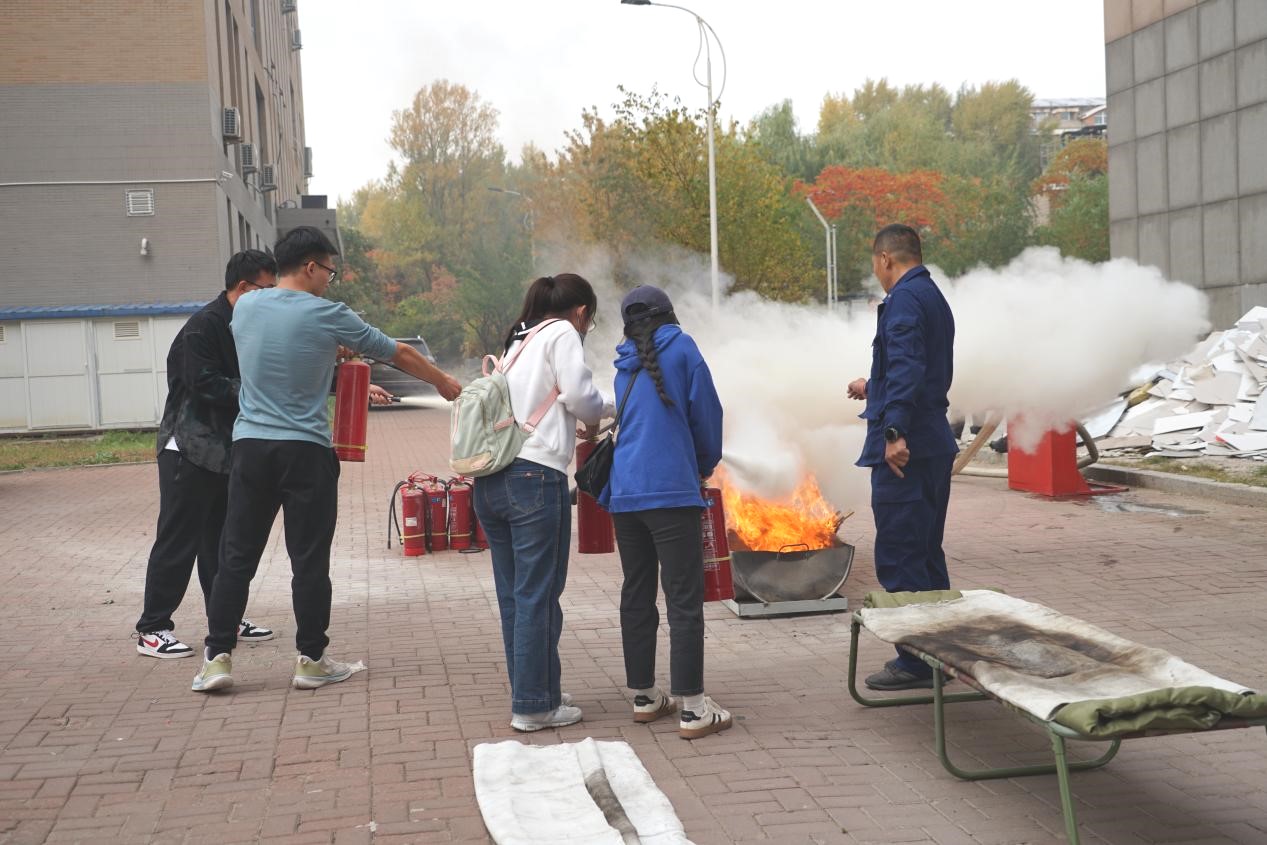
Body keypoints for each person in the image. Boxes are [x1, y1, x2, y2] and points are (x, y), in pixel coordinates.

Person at [192, 226, 462, 693]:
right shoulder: (330, 314)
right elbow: (397, 352)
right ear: (311, 266)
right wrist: (442, 381)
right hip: (305, 452)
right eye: (329, 273)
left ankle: (216, 659)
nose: (328, 281)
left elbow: (274, 347)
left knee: (235, 556)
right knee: (309, 560)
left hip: (251, 447)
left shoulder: (247, 306)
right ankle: (311, 660)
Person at [472, 274, 614, 732]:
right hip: (534, 478)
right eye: (590, 320)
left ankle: (536, 690)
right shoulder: (562, 333)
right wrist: (612, 406)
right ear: (581, 312)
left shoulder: (519, 339)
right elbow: (582, 398)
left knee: (516, 596)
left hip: (491, 478)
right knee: (538, 595)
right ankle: (534, 707)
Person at [598, 285, 730, 740]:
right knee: (683, 598)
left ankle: (645, 697)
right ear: (670, 314)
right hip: (671, 492)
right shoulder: (684, 348)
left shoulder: (622, 362)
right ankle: (693, 709)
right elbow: (707, 415)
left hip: (625, 493)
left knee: (637, 593)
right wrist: (703, 465)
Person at [135, 250, 280, 658]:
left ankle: (224, 618)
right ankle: (152, 628)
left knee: (220, 542)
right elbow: (205, 384)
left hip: (224, 454)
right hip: (188, 449)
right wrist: (260, 393)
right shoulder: (203, 327)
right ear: (243, 288)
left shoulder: (245, 325)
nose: (272, 299)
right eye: (268, 290)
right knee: (178, 539)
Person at [847, 224, 958, 691]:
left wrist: (893, 431)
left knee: (902, 554)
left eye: (875, 264)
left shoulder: (904, 300)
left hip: (907, 451)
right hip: (931, 443)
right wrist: (873, 387)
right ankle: (940, 653)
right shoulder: (931, 295)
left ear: (886, 259)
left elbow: (909, 365)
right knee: (926, 552)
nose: (877, 271)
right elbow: (915, 367)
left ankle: (916, 663)